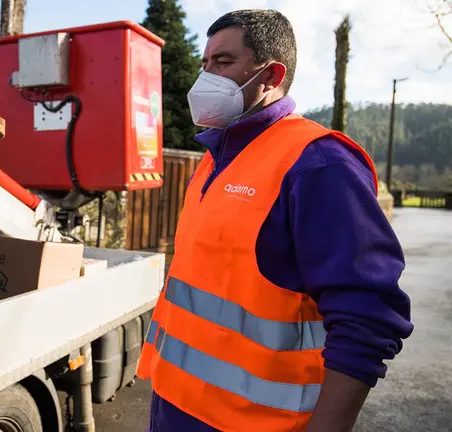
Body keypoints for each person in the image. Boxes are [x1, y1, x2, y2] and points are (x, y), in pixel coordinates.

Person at [137, 9, 413, 432]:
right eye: (204, 63)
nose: (205, 76)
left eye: (223, 62)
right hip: (176, 407)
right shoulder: (214, 159)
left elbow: (367, 316)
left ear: (270, 75)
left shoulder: (320, 165)